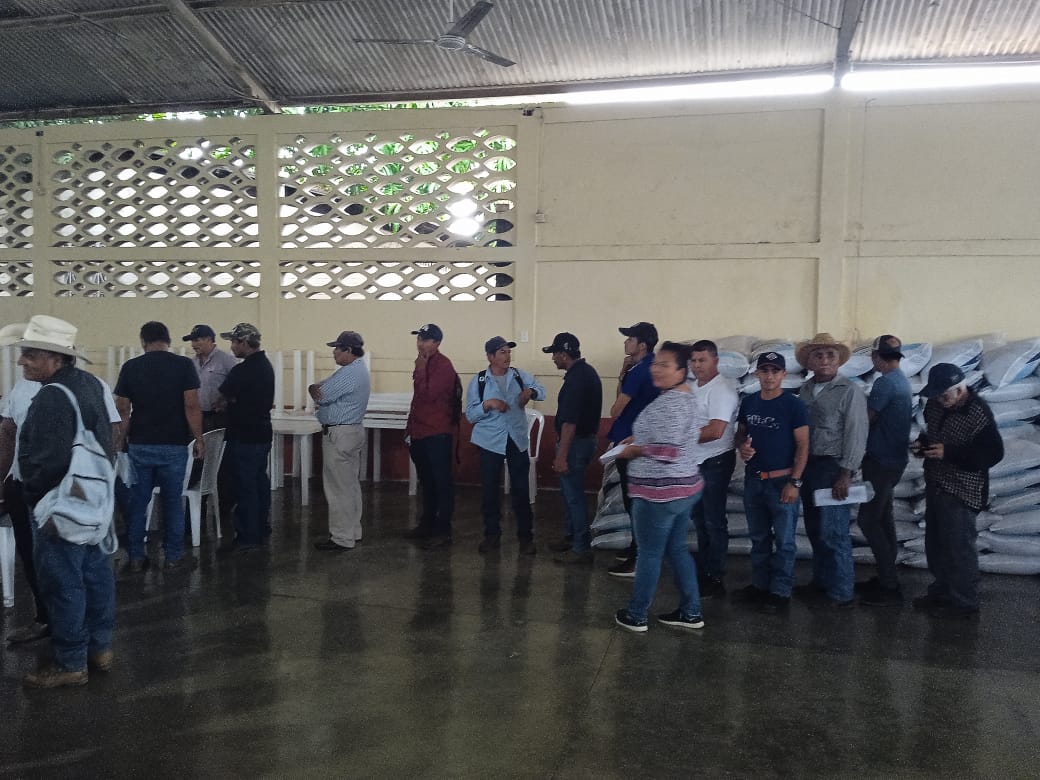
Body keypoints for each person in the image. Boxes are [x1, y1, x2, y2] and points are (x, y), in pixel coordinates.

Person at [0, 323, 123, 647]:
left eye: (30, 354)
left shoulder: (49, 395)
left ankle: (71, 659)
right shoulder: (92, 384)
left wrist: (33, 494)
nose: (21, 361)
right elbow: (111, 434)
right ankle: (99, 647)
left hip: (56, 502)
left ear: (55, 358)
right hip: (90, 496)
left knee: (61, 580)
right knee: (94, 574)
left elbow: (44, 458)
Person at [613, 342, 705, 632]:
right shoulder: (686, 396)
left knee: (649, 554)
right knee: (677, 549)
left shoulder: (670, 403)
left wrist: (634, 450)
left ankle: (637, 614)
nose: (656, 369)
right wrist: (638, 440)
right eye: (655, 363)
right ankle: (691, 612)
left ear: (681, 370)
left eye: (664, 365)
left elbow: (667, 450)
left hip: (659, 493)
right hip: (684, 488)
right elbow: (671, 438)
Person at [914, 363, 1003, 619]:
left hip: (963, 490)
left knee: (959, 548)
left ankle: (964, 603)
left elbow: (993, 454)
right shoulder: (934, 405)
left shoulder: (978, 413)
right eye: (937, 396)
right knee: (936, 544)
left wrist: (950, 453)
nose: (940, 401)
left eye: (945, 396)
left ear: (960, 389)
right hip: (937, 483)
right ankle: (942, 592)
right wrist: (923, 445)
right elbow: (932, 434)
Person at [114, 321, 203, 573]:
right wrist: (199, 438)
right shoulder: (184, 365)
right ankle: (173, 557)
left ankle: (136, 556)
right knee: (172, 502)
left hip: (140, 444)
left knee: (138, 501)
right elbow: (191, 405)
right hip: (174, 445)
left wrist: (120, 440)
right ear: (168, 340)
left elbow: (123, 408)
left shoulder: (131, 367)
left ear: (143, 341)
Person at [795, 333, 868, 609]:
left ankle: (841, 592)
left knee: (834, 531)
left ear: (838, 360)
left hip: (833, 467)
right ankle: (822, 582)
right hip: (809, 466)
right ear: (810, 361)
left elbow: (856, 434)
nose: (825, 360)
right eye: (818, 355)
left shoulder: (849, 391)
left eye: (830, 355)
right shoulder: (805, 390)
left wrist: (846, 473)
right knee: (815, 529)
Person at [734, 352, 809, 613]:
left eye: (775, 371)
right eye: (764, 371)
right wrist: (742, 447)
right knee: (759, 538)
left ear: (783, 375)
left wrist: (795, 482)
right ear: (757, 374)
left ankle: (780, 591)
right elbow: (740, 434)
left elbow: (803, 445)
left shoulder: (793, 405)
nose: (769, 376)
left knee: (785, 541)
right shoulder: (750, 402)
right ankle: (760, 585)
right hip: (754, 480)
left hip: (782, 481)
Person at [466, 336, 546, 554]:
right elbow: (470, 415)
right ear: (490, 356)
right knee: (490, 490)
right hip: (489, 441)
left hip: (516, 439)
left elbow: (541, 390)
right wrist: (488, 404)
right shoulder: (480, 381)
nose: (507, 356)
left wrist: (531, 392)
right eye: (502, 352)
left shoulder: (519, 376)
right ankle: (491, 535)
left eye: (508, 352)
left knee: (521, 489)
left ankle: (526, 538)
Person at [856, 335, 913, 606]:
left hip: (880, 462)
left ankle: (889, 584)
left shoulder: (885, 383)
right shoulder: (902, 380)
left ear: (877, 357)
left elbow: (867, 419)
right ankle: (886, 576)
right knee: (883, 518)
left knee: (868, 520)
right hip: (895, 460)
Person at [602, 322, 658, 577]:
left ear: (642, 345)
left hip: (632, 442)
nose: (625, 342)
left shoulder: (639, 372)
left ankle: (638, 557)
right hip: (641, 440)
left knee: (634, 501)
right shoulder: (650, 367)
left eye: (630, 339)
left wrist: (624, 378)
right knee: (638, 500)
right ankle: (638, 548)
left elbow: (616, 409)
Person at [543, 332, 603, 564]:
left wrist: (561, 456)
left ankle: (581, 548)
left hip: (576, 444)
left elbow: (570, 422)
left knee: (574, 496)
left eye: (554, 354)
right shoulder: (586, 372)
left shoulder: (576, 379)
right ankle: (570, 537)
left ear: (563, 354)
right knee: (570, 494)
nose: (552, 359)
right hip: (584, 441)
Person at [309, 330, 371, 552]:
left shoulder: (350, 373)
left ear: (349, 350)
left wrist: (315, 390)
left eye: (337, 348)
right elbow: (319, 388)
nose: (334, 352)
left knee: (338, 489)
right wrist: (315, 389)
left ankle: (342, 538)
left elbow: (321, 393)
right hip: (350, 432)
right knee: (349, 485)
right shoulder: (354, 370)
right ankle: (352, 531)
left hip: (340, 434)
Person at [687, 339, 740, 598]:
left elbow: (716, 431)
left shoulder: (722, 389)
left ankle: (715, 576)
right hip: (695, 462)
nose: (697, 365)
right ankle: (704, 570)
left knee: (713, 520)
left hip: (715, 462)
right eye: (694, 361)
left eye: (702, 360)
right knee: (699, 519)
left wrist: (679, 437)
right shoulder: (693, 387)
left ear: (716, 361)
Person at [217, 323, 275, 553]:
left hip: (244, 435)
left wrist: (230, 402)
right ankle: (261, 526)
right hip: (262, 433)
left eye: (234, 342)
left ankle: (248, 536)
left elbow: (221, 399)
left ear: (244, 343)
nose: (231, 347)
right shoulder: (265, 366)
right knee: (259, 482)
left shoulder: (242, 370)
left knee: (245, 487)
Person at [404, 324, 458, 547]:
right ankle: (426, 524)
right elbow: (417, 401)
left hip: (437, 433)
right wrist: (410, 429)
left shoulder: (443, 365)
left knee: (441, 483)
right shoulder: (423, 362)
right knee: (427, 481)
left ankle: (443, 530)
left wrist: (420, 369)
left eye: (425, 340)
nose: (420, 343)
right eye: (419, 339)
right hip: (420, 432)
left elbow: (428, 394)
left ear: (437, 343)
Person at [183, 324, 238, 433]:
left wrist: (225, 400)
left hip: (219, 417)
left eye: (196, 340)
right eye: (192, 341)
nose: (193, 345)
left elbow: (237, 386)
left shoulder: (226, 360)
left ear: (208, 339)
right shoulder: (192, 363)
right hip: (197, 417)